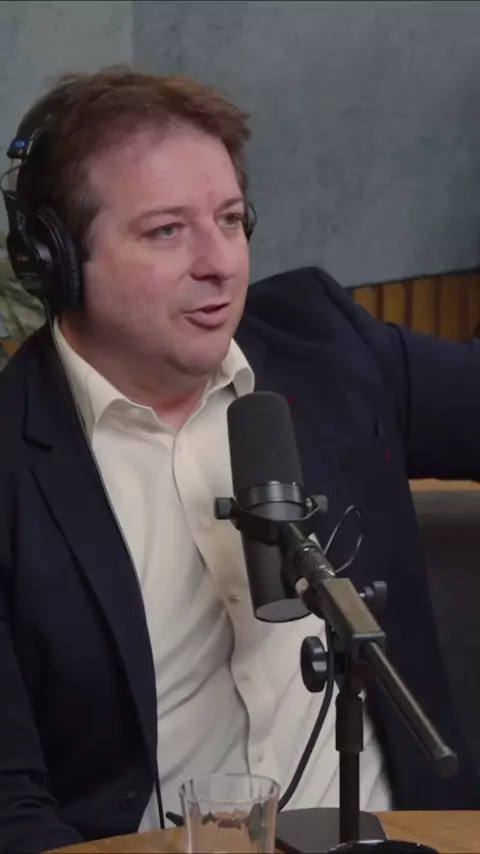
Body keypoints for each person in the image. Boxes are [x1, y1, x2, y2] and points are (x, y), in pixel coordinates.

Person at [0, 66, 479, 854]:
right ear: (56, 258)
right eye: (166, 231)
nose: (219, 262)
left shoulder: (327, 347)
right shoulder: (13, 470)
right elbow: (12, 812)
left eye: (230, 220)